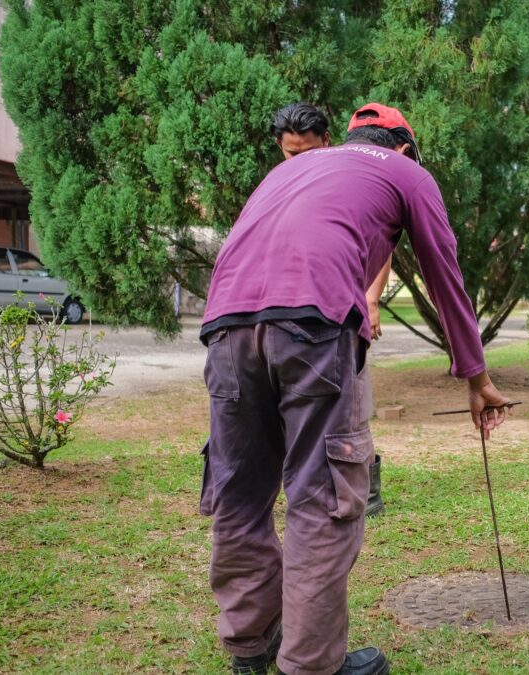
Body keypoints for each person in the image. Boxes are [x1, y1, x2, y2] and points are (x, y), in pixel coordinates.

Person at [200, 102, 510, 675]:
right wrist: (478, 377)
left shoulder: (287, 171)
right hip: (312, 329)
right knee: (324, 500)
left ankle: (249, 646)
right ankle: (313, 664)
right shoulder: (406, 173)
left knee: (239, 490)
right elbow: (446, 276)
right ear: (405, 148)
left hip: (223, 329)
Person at [270, 102, 391, 517]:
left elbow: (383, 241)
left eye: (309, 151)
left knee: (353, 401)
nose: (300, 161)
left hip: (343, 316)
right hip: (293, 318)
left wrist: (371, 301)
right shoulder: (278, 187)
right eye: (291, 153)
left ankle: (367, 488)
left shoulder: (346, 180)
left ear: (327, 141)